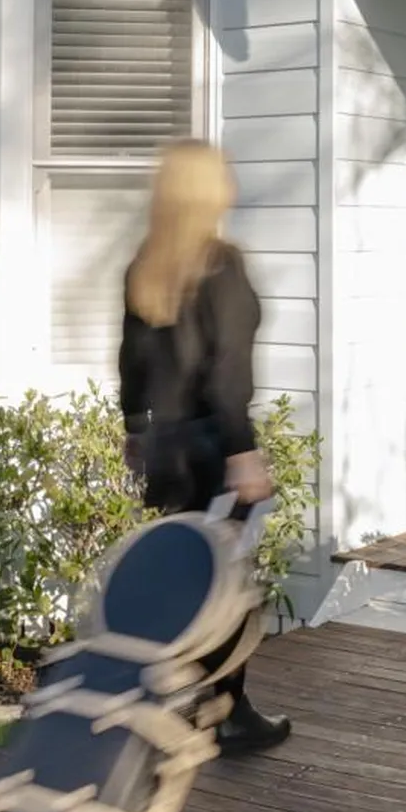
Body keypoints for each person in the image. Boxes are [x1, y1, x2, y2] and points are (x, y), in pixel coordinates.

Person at [117, 139, 291, 755]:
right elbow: (227, 377)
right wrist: (242, 452)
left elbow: (131, 365)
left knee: (182, 581)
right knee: (227, 586)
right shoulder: (222, 264)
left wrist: (135, 431)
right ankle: (227, 711)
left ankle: (174, 699)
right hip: (214, 449)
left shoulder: (147, 263)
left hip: (165, 451)